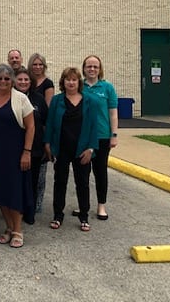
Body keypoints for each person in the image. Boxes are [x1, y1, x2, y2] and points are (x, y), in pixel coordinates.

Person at [0, 64, 35, 248]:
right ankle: (9, 227)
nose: (3, 81)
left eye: (7, 78)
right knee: (0, 191)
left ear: (12, 80)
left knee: (14, 191)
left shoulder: (21, 99)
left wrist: (26, 152)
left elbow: (31, 127)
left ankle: (18, 230)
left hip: (15, 153)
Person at [44, 67, 100, 232]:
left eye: (74, 79)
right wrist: (47, 143)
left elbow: (93, 127)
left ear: (79, 82)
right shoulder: (56, 100)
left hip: (82, 149)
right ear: (63, 82)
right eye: (68, 79)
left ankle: (84, 216)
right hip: (61, 148)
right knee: (59, 182)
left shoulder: (90, 101)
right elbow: (50, 124)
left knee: (82, 183)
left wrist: (91, 148)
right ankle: (57, 215)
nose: (71, 82)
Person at [77, 54, 119, 221]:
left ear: (100, 69)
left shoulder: (107, 88)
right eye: (89, 66)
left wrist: (114, 134)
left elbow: (113, 113)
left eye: (95, 66)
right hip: (83, 137)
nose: (92, 69)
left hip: (102, 136)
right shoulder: (79, 87)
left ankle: (101, 205)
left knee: (100, 172)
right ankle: (83, 206)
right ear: (84, 69)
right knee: (82, 173)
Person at [14, 68, 49, 223]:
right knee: (16, 182)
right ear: (15, 81)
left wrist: (46, 144)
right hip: (14, 146)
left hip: (34, 147)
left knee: (32, 181)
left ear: (31, 81)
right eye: (20, 79)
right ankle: (15, 210)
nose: (23, 82)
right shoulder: (10, 97)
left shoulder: (39, 99)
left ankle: (30, 212)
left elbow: (46, 122)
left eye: (26, 80)